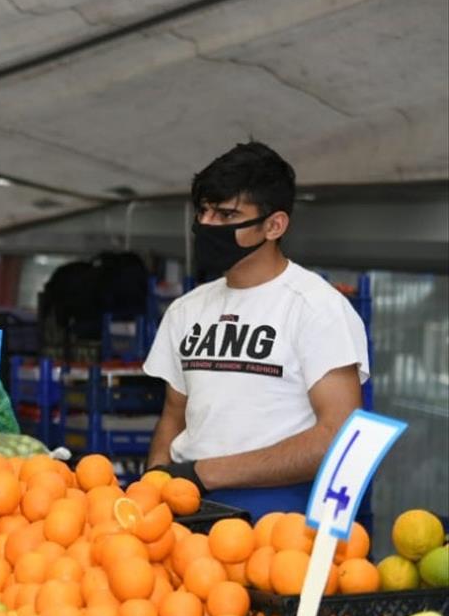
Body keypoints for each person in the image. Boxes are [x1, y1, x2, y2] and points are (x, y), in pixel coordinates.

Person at [143, 141, 368, 520]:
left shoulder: (316, 308)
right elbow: (173, 415)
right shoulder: (186, 310)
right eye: (204, 212)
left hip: (277, 513)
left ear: (274, 225)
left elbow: (340, 436)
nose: (208, 225)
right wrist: (154, 481)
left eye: (227, 215)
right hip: (185, 505)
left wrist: (205, 473)